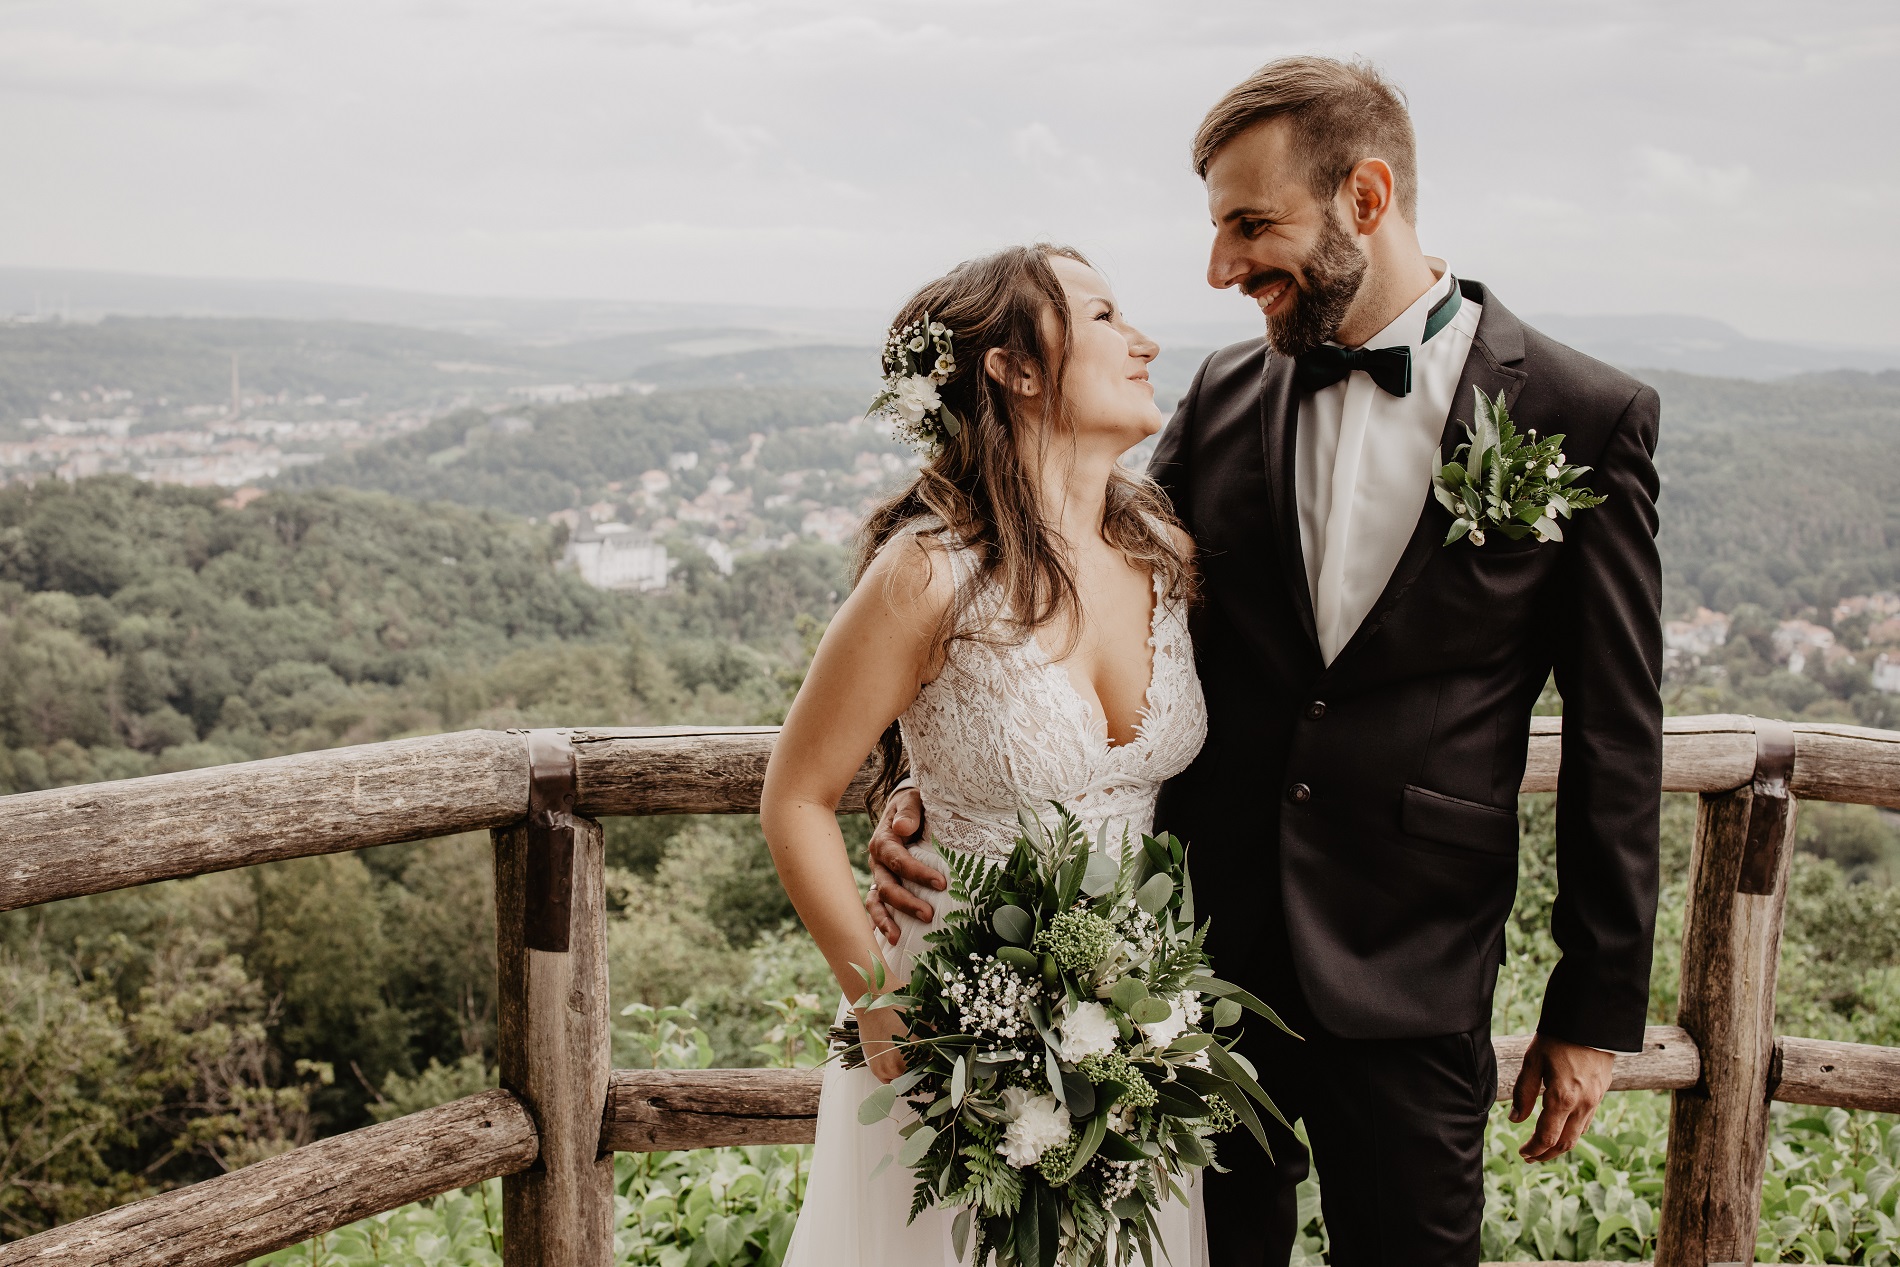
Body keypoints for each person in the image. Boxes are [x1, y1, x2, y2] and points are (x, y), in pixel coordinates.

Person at [867, 57, 1664, 1266]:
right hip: (1186, 971)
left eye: (1251, 225)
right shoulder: (1226, 389)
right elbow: (1055, 596)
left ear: (1365, 197)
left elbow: (1617, 734)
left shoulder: (1579, 413)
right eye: (1217, 228)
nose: (1220, 267)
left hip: (1415, 966)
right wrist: (916, 777)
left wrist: (1595, 1007)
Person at [761, 244, 1212, 1266]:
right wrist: (879, 1001)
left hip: (1139, 1023)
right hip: (951, 1022)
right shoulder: (927, 575)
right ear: (1012, 366)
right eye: (1103, 317)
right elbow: (794, 796)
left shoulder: (1160, 553)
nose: (1142, 340)